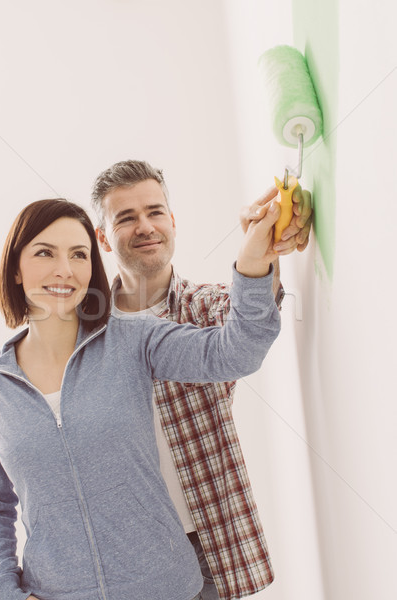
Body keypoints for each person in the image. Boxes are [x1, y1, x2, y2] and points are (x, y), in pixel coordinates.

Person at [0, 197, 281, 600]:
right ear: (15, 267)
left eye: (79, 255)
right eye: (45, 253)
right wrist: (3, 591)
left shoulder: (133, 341)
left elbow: (236, 351)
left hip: (168, 588)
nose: (64, 269)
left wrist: (252, 263)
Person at [91, 160, 312, 600]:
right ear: (102, 237)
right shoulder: (86, 333)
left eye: (154, 212)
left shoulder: (205, 308)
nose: (145, 226)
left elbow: (249, 321)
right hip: (115, 555)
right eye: (126, 217)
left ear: (172, 221)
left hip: (200, 548)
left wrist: (261, 251)